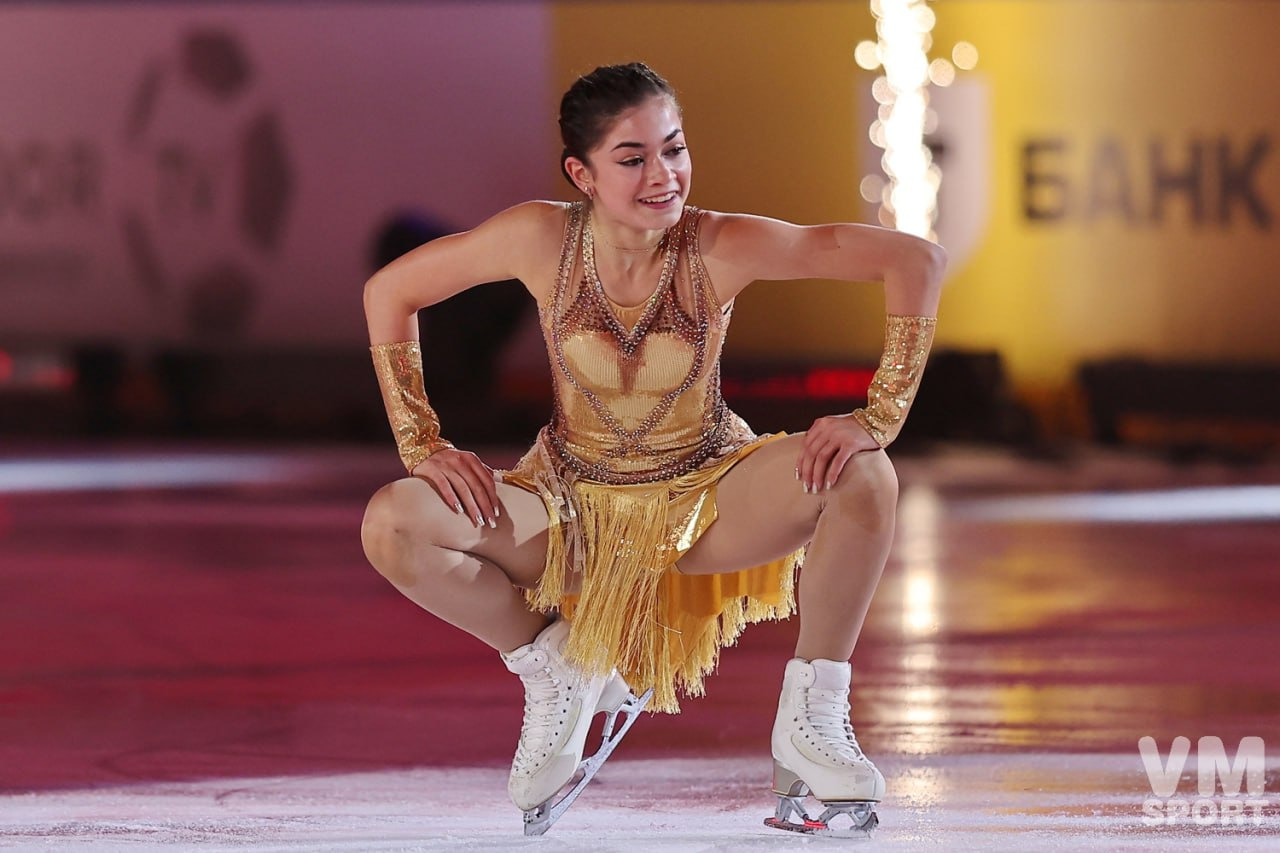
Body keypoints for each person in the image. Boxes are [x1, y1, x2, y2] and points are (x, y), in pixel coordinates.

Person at [359, 62, 947, 836]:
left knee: (863, 476)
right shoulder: (539, 239)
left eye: (674, 148)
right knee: (393, 522)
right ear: (583, 174)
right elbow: (389, 292)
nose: (663, 175)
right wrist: (422, 442)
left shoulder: (721, 244)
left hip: (706, 498)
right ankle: (557, 665)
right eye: (633, 158)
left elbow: (914, 259)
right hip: (566, 510)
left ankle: (813, 719)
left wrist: (879, 415)